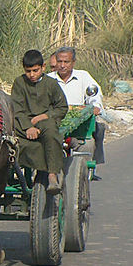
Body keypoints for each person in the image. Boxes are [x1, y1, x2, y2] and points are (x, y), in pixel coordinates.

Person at [12, 50, 68, 194]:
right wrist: (28, 127)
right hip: (23, 122)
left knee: (50, 131)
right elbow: (17, 109)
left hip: (45, 121)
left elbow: (62, 107)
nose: (32, 75)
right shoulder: (19, 83)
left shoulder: (51, 84)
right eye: (28, 71)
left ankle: (52, 174)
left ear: (43, 67)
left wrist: (44, 116)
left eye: (35, 70)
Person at [46, 46, 106, 176]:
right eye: (59, 62)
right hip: (55, 124)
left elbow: (94, 94)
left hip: (78, 126)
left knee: (89, 142)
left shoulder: (83, 76)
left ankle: (84, 174)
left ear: (73, 62)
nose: (62, 65)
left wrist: (95, 106)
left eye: (66, 62)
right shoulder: (48, 79)